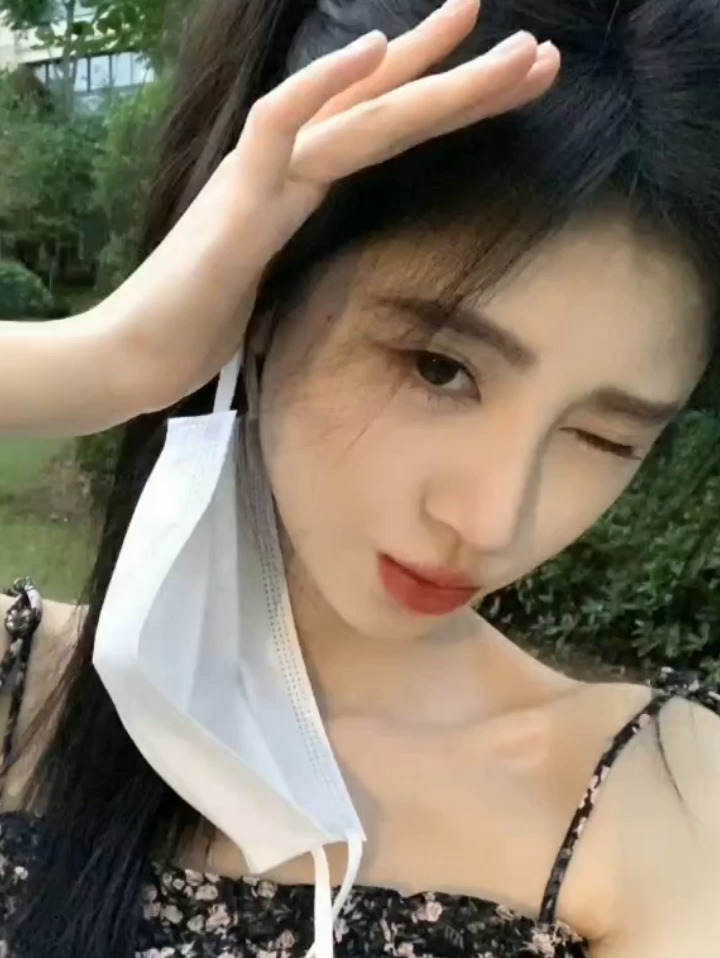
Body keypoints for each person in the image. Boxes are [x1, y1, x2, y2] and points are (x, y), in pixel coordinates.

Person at [0, 0, 719, 955]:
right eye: (439, 369)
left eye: (604, 436)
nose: (494, 520)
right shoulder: (24, 691)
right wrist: (111, 360)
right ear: (259, 289)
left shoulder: (665, 808)